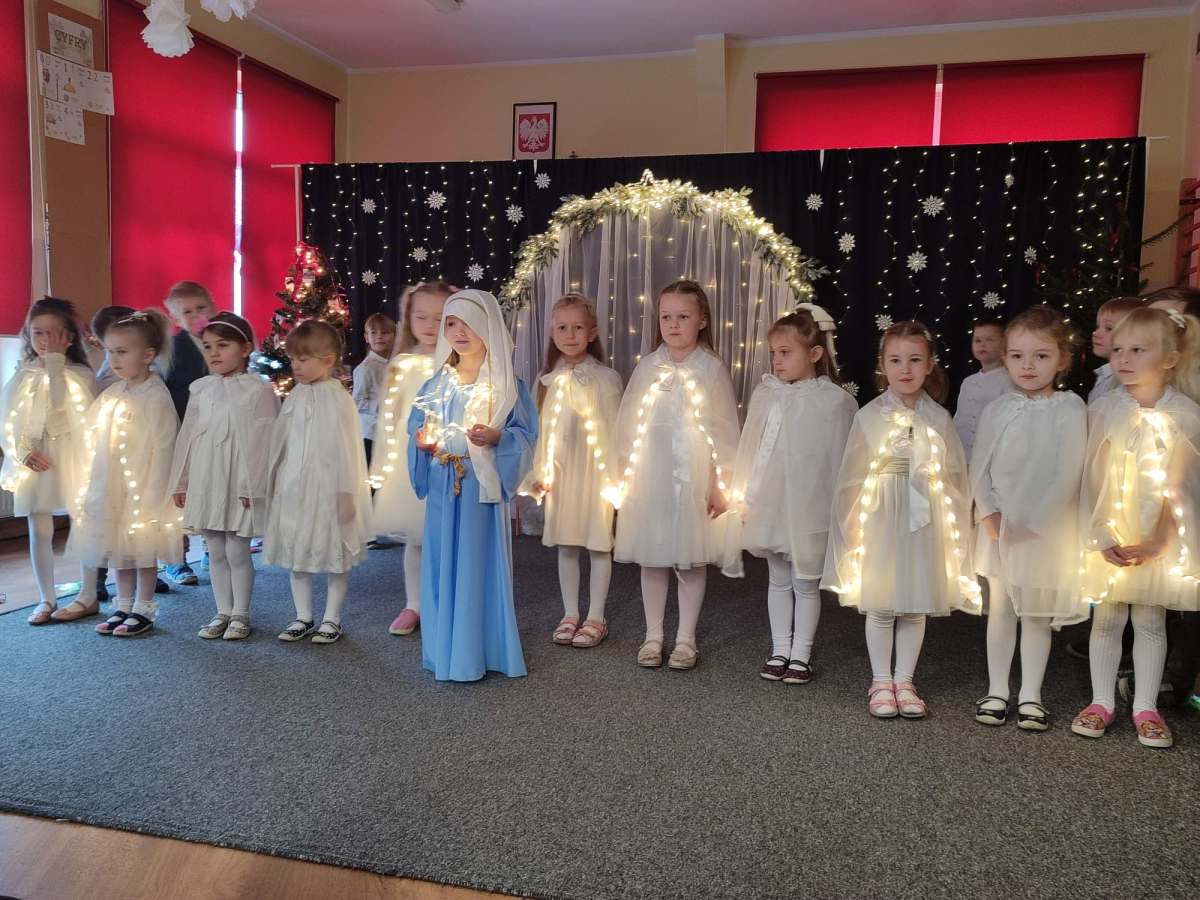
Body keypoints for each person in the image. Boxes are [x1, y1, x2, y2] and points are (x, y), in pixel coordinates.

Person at [822, 320, 980, 718]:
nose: (905, 369)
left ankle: (904, 680)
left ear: (929, 365)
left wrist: (953, 529)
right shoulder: (870, 415)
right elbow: (852, 476)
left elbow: (954, 475)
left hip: (925, 519)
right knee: (881, 601)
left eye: (914, 360)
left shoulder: (938, 417)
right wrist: (853, 526)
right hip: (882, 516)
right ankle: (880, 680)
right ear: (882, 365)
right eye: (895, 360)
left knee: (914, 603)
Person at [1072, 306, 1200, 749]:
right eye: (1119, 349)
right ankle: (1101, 701)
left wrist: (1161, 538)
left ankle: (1146, 707)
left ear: (1169, 358)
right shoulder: (1105, 408)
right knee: (1107, 618)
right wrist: (1101, 532)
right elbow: (1092, 475)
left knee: (1150, 619)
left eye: (1138, 350)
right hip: (1110, 527)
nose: (1123, 359)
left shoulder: (1185, 413)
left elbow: (1181, 484)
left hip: (1156, 534)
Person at [408, 289, 537, 681]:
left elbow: (525, 435)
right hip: (443, 482)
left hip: (479, 486)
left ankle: (477, 651)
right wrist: (420, 442)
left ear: (488, 326)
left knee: (476, 564)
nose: (458, 332)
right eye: (451, 323)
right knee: (441, 561)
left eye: (468, 323)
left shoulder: (507, 386)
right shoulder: (436, 384)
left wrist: (497, 437)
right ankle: (444, 650)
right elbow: (417, 426)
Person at [969, 306, 1088, 731]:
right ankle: (997, 690)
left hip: (1042, 530)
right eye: (1018, 356)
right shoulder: (998, 408)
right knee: (1001, 606)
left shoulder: (1069, 408)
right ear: (1005, 358)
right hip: (1000, 526)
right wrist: (989, 512)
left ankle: (1031, 696)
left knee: (1036, 613)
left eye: (1041, 355)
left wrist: (1033, 523)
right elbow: (979, 465)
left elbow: (1067, 473)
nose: (1028, 365)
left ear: (1062, 359)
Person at [723, 305, 856, 684]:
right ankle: (780, 648)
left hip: (811, 504)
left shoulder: (834, 401)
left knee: (806, 582)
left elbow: (841, 460)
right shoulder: (767, 394)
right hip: (771, 502)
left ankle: (802, 654)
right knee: (778, 578)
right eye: (773, 353)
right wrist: (746, 495)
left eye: (785, 352)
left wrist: (840, 511)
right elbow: (753, 448)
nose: (777, 361)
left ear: (814, 353)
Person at [613, 280, 739, 671]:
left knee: (690, 558)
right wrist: (623, 476)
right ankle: (653, 635)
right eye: (666, 316)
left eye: (683, 316)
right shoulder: (649, 366)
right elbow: (628, 424)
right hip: (651, 471)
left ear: (702, 321)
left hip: (694, 475)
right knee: (652, 556)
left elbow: (725, 431)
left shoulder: (711, 368)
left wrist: (719, 483)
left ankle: (686, 638)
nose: (673, 324)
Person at [67, 310, 182, 636]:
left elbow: (164, 447)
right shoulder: (113, 393)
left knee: (142, 552)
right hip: (112, 486)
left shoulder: (156, 396)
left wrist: (154, 495)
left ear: (147, 355)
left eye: (121, 351)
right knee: (119, 551)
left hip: (143, 488)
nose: (113, 359)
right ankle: (122, 605)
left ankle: (143, 608)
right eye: (110, 351)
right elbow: (93, 436)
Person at [169, 313, 279, 641]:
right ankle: (222, 611)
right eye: (207, 346)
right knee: (214, 548)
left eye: (223, 345)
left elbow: (264, 439)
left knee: (237, 549)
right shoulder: (201, 388)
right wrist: (182, 480)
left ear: (245, 349)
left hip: (239, 478)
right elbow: (188, 436)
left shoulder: (258, 389)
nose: (213, 353)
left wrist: (253, 483)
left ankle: (241, 613)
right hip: (207, 476)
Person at [264, 320, 373, 645]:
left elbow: (347, 448)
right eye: (293, 359)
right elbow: (283, 440)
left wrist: (346, 493)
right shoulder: (295, 395)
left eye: (303, 359)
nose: (296, 366)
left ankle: (332, 618)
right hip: (296, 485)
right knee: (298, 553)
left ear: (327, 360)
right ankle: (303, 616)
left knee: (335, 555)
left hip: (329, 488)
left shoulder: (338, 398)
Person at [525, 293, 624, 649]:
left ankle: (596, 616)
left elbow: (618, 432)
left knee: (598, 544)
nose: (570, 335)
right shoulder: (547, 380)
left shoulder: (607, 378)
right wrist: (539, 472)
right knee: (566, 544)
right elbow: (540, 433)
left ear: (592, 333)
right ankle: (570, 613)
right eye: (563, 328)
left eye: (578, 327)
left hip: (596, 474)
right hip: (563, 473)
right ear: (553, 333)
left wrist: (617, 480)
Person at [0, 298, 97, 625]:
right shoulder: (23, 373)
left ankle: (89, 594)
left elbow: (60, 402)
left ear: (68, 338)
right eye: (38, 333)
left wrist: (55, 361)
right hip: (37, 458)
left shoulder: (79, 373)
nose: (44, 340)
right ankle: (46, 597)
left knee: (82, 523)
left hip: (73, 456)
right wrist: (22, 452)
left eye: (52, 334)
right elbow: (9, 419)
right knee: (39, 529)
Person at [370, 281, 453, 635]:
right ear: (408, 319)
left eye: (441, 317)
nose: (431, 325)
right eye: (422, 317)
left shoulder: (461, 363)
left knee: (450, 539)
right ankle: (414, 604)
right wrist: (382, 469)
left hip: (451, 462)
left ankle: (447, 603)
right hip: (411, 465)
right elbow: (389, 419)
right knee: (416, 539)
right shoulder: (402, 364)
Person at [163, 281, 218, 586]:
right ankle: (176, 559)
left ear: (213, 307)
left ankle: (211, 548)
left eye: (201, 308)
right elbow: (166, 390)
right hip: (183, 429)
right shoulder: (172, 349)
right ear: (175, 317)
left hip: (215, 431)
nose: (196, 315)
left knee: (212, 489)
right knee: (180, 496)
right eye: (187, 312)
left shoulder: (222, 339)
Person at [952, 318, 1013, 459]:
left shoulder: (1008, 380)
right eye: (977, 340)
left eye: (989, 340)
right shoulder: (968, 382)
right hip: (961, 453)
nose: (982, 344)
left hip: (990, 456)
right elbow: (959, 417)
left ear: (1004, 344)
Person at [353, 311, 397, 469]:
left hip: (389, 432)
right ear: (367, 338)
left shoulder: (395, 364)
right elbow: (356, 402)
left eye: (385, 333)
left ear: (393, 336)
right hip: (371, 435)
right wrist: (379, 405)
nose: (379, 337)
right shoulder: (366, 368)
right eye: (374, 333)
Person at [1088, 296, 1144, 404]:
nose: (1096, 333)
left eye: (1108, 328)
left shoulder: (1126, 379)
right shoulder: (1107, 374)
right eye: (1098, 326)